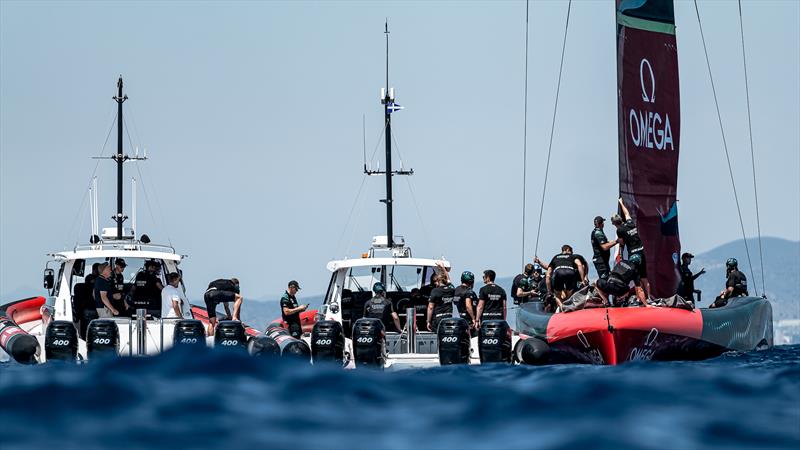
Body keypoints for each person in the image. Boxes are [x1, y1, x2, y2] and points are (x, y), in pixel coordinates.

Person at [611, 198, 651, 298]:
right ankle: (649, 298)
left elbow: (622, 242)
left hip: (634, 255)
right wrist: (621, 203)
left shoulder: (619, 230)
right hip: (641, 252)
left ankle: (640, 299)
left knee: (636, 279)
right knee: (644, 278)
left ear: (615, 224)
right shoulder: (630, 223)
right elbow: (627, 213)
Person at [543, 245, 585, 310]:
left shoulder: (556, 257)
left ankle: (562, 307)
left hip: (558, 273)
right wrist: (582, 280)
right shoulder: (573, 256)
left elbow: (548, 275)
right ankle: (568, 307)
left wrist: (549, 291)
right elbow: (580, 265)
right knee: (569, 294)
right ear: (567, 250)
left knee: (557, 295)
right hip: (570, 272)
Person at [590, 216, 617, 280]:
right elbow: (604, 247)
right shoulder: (598, 233)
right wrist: (617, 241)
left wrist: (615, 241)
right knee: (605, 280)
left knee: (607, 278)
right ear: (601, 224)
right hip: (601, 261)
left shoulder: (596, 231)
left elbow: (605, 242)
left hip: (603, 261)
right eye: (603, 222)